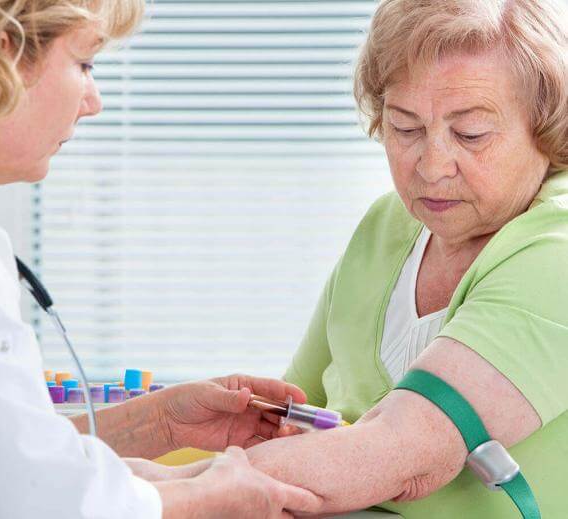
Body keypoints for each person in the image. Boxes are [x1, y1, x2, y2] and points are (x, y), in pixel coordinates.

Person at [0, 1, 322, 517]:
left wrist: (161, 426)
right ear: (4, 50)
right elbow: (27, 503)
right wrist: (204, 502)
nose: (94, 101)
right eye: (85, 63)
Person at [243, 0, 568, 518]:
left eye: (471, 134)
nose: (433, 167)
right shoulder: (385, 226)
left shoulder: (559, 249)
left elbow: (397, 453)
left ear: (547, 126)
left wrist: (148, 494)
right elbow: (284, 411)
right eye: (405, 127)